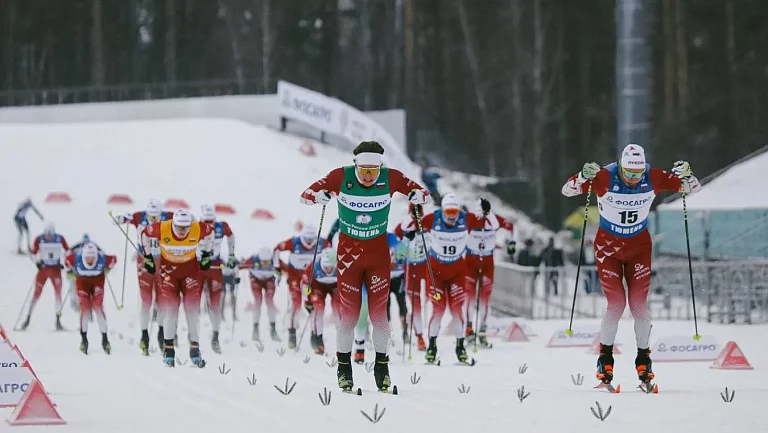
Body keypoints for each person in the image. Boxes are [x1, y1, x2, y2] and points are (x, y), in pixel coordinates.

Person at [561, 144, 701, 389]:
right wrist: (583, 176)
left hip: (639, 248)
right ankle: (605, 361)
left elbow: (692, 189)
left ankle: (644, 361)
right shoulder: (605, 177)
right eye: (629, 173)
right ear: (621, 166)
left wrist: (688, 175)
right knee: (616, 304)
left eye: (638, 174)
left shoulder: (653, 177)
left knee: (638, 305)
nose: (634, 179)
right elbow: (567, 191)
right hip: (608, 250)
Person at [300, 140, 429, 393]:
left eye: (374, 170)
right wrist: (318, 196)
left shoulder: (390, 177)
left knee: (379, 315)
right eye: (364, 170)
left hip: (379, 256)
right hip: (348, 257)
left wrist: (417, 196)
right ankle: (344, 369)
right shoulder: (341, 176)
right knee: (350, 313)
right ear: (355, 165)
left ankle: (382, 368)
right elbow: (304, 196)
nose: (369, 176)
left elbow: (422, 193)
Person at [142, 209, 214, 368]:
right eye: (179, 227)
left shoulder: (197, 227)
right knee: (171, 310)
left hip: (191, 273)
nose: (182, 230)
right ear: (173, 223)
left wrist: (207, 254)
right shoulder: (161, 227)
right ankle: (169, 350)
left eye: (185, 227)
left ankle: (195, 348)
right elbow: (144, 234)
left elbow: (211, 233)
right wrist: (147, 258)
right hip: (169, 274)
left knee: (192, 310)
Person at [418, 193, 474, 364]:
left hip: (457, 272)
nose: (451, 215)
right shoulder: (431, 219)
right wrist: (416, 212)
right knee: (438, 310)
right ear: (442, 210)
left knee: (457, 311)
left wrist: (486, 212)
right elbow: (412, 225)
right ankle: (432, 347)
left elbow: (488, 223)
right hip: (436, 274)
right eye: (448, 211)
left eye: (454, 211)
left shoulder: (467, 219)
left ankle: (460, 347)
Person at [115, 199, 173, 354]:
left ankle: (161, 333)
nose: (153, 218)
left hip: (163, 261)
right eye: (151, 215)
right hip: (144, 262)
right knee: (146, 301)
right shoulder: (139, 217)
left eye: (156, 216)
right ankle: (144, 336)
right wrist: (118, 219)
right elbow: (121, 219)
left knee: (162, 300)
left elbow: (188, 221)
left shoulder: (169, 217)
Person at [464, 197, 515, 348]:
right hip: (470, 262)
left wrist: (512, 243)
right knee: (470, 298)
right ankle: (468, 329)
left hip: (487, 262)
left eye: (484, 213)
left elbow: (510, 226)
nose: (481, 216)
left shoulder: (494, 219)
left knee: (486, 299)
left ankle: (483, 330)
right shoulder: (469, 218)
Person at [273, 224, 329, 349]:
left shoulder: (322, 243)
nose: (309, 241)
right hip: (295, 279)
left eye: (312, 238)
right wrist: (277, 267)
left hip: (312, 281)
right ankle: (292, 334)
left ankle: (315, 335)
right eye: (306, 238)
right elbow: (277, 249)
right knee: (296, 305)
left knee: (315, 307)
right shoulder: (294, 242)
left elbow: (332, 253)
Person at [64, 243, 117, 355]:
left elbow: (114, 259)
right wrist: (69, 272)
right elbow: (66, 262)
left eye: (93, 258)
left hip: (98, 281)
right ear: (83, 256)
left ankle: (105, 339)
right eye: (87, 258)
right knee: (85, 308)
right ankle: (84, 340)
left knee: (98, 307)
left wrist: (108, 269)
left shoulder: (102, 258)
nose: (90, 260)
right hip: (82, 283)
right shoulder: (76, 257)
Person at [198, 204, 236, 354]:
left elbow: (231, 236)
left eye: (211, 220)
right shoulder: (194, 226)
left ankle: (215, 336)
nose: (209, 224)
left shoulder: (222, 226)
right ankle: (186, 337)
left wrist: (232, 255)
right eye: (206, 220)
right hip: (198, 265)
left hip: (214, 265)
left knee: (215, 303)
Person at [394, 203, 429, 351]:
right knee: (415, 304)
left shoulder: (429, 222)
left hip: (426, 266)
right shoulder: (403, 226)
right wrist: (405, 241)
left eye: (420, 212)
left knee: (430, 299)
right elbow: (396, 250)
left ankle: (431, 334)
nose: (417, 215)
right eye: (415, 213)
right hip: (411, 267)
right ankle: (419, 336)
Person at [23, 222, 69, 331]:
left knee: (58, 294)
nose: (49, 236)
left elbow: (68, 251)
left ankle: (58, 321)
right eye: (47, 234)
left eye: (51, 234)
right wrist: (37, 262)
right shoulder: (39, 239)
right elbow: (33, 253)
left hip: (55, 270)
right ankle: (27, 319)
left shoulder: (60, 238)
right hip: (43, 269)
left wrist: (64, 263)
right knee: (36, 293)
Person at [302, 247, 341, 355]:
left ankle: (343, 341)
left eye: (331, 267)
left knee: (339, 308)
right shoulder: (312, 267)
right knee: (318, 308)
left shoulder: (342, 266)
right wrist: (307, 302)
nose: (328, 270)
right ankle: (317, 339)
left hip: (335, 287)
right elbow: (305, 286)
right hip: (318, 287)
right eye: (326, 267)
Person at [241, 248, 280, 342]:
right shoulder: (253, 259)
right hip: (256, 280)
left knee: (270, 302)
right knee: (257, 301)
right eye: (263, 262)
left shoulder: (275, 259)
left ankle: (273, 329)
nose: (265, 264)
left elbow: (286, 268)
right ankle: (255, 329)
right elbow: (240, 266)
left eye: (267, 262)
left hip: (269, 280)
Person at [386, 231, 408, 342]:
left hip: (398, 278)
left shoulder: (392, 238)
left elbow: (404, 253)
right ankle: (387, 332)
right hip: (384, 280)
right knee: (385, 306)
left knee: (402, 304)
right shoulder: (373, 239)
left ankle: (405, 329)